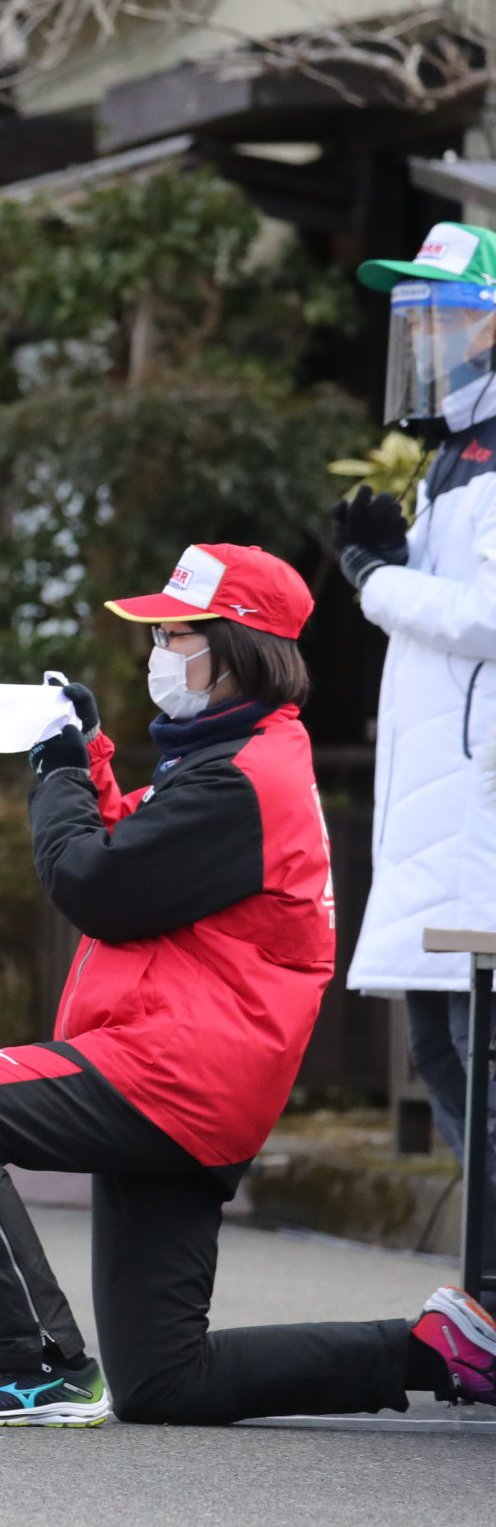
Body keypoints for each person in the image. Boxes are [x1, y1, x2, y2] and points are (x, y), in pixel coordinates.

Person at [0, 543, 496, 1427]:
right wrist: (88, 750)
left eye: (176, 634)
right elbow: (133, 841)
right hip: (192, 1078)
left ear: (238, 648)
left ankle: (39, 1362)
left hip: (171, 1072)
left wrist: (56, 769)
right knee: (167, 1381)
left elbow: (93, 884)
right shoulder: (235, 757)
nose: (158, 652)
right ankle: (438, 1352)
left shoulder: (242, 781)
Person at [335, 221, 496, 1179]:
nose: (422, 333)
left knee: (475, 1063)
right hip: (448, 813)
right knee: (443, 1057)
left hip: (478, 811)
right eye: (415, 315)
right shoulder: (454, 454)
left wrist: (374, 580)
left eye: (439, 312)